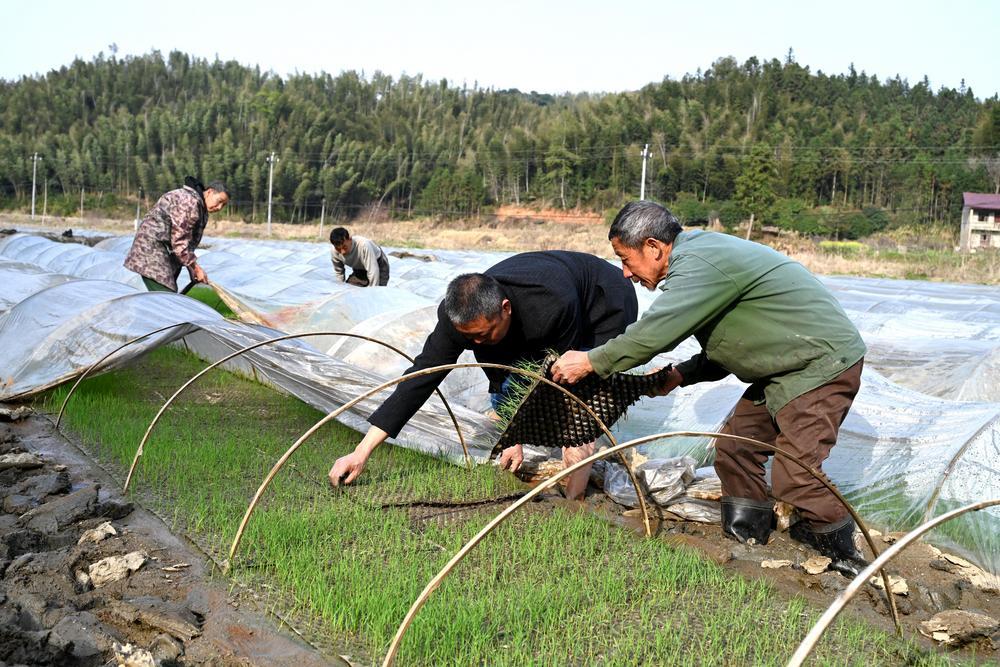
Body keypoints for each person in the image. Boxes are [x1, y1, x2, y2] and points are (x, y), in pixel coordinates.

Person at [550, 201, 869, 576]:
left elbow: (653, 334)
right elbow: (733, 343)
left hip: (820, 366)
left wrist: (590, 361)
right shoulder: (700, 259)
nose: (625, 273)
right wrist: (680, 375)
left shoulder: (699, 263)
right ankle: (748, 540)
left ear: (653, 247)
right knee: (735, 450)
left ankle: (847, 559)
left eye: (625, 259)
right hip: (783, 366)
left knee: (795, 475)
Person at [329, 250, 639, 500]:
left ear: (505, 308)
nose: (477, 343)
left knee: (578, 406)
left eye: (484, 333)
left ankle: (574, 499)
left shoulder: (551, 306)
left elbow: (561, 383)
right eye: (470, 337)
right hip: (547, 299)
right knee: (505, 374)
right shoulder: (458, 319)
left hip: (603, 302)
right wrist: (361, 452)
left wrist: (560, 425)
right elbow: (421, 378)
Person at [123, 177, 229, 292]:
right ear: (209, 192)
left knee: (167, 295)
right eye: (219, 201)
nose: (219, 207)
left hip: (166, 251)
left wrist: (191, 268)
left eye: (223, 205)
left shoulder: (200, 207)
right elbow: (179, 241)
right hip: (151, 248)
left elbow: (188, 242)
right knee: (166, 295)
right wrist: (196, 268)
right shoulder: (189, 202)